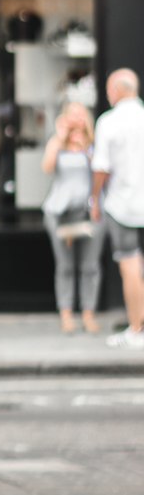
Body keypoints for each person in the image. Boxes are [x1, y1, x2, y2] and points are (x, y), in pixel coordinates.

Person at [92, 67, 144, 349]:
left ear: (119, 90)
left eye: (110, 89)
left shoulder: (109, 122)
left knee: (130, 266)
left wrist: (94, 200)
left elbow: (101, 167)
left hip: (123, 204)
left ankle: (137, 328)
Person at [41, 102, 104, 334]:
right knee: (65, 265)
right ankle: (66, 314)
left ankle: (88, 313)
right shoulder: (57, 143)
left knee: (90, 265)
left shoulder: (95, 144)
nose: (76, 119)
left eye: (81, 114)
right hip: (60, 213)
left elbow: (102, 172)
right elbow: (47, 167)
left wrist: (86, 149)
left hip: (90, 212)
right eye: (72, 114)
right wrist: (60, 138)